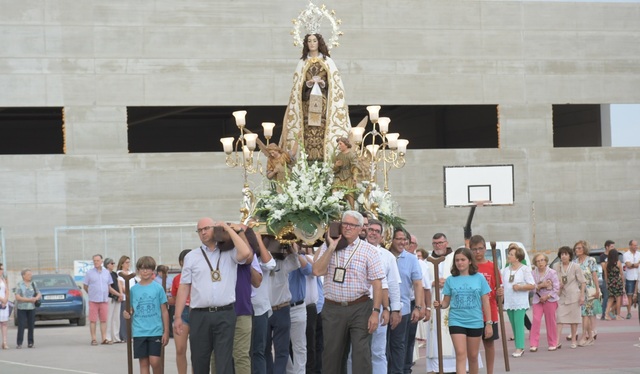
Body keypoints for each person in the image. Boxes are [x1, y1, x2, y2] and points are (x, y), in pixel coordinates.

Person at [173, 218, 252, 374]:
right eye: (200, 230)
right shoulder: (192, 256)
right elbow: (184, 287)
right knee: (199, 359)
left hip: (225, 313)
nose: (203, 232)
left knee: (224, 361)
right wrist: (177, 316)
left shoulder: (229, 252)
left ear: (215, 229)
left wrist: (228, 229)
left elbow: (246, 252)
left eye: (206, 228)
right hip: (199, 315)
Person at [312, 210, 384, 374]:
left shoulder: (369, 250)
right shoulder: (328, 246)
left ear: (360, 229)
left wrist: (375, 312)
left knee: (361, 354)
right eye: (345, 224)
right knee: (332, 355)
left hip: (360, 307)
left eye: (352, 225)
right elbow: (316, 271)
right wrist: (331, 247)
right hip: (333, 308)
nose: (347, 228)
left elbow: (377, 283)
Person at [280, 33, 351, 162]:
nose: (312, 43)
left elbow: (335, 86)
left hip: (323, 106)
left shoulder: (328, 62)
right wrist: (309, 83)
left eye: (314, 41)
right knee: (307, 131)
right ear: (306, 44)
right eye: (309, 41)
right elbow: (297, 88)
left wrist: (322, 83)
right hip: (306, 105)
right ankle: (305, 160)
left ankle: (325, 159)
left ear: (319, 42)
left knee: (322, 130)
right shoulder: (302, 63)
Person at [433, 248, 492, 374]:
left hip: (475, 320)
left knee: (473, 356)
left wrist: (489, 323)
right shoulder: (450, 280)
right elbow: (446, 302)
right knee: (460, 354)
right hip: (456, 321)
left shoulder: (479, 278)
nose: (460, 263)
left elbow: (486, 301)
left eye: (463, 260)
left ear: (470, 261)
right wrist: (440, 305)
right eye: (457, 260)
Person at [386, 228, 426, 374]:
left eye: (405, 240)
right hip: (383, 306)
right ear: (391, 239)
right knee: (383, 346)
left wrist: (418, 307)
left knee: (399, 345)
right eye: (399, 239)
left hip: (403, 309)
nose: (402, 242)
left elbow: (417, 284)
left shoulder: (411, 259)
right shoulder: (384, 255)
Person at [123, 256, 170, 374]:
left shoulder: (158, 288)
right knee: (143, 363)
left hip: (155, 330)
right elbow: (131, 309)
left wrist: (166, 331)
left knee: (155, 361)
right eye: (142, 269)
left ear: (153, 270)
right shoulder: (133, 290)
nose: (145, 271)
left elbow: (164, 311)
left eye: (148, 268)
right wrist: (127, 314)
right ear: (138, 270)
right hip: (139, 331)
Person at [469, 236, 501, 374]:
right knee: (471, 347)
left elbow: (498, 290)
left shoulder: (492, 267)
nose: (477, 252)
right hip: (472, 311)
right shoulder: (468, 267)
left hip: (490, 311)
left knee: (489, 343)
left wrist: (500, 293)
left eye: (480, 248)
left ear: (485, 249)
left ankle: (490, 372)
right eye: (474, 249)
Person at [500, 244, 535, 357]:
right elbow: (502, 285)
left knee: (519, 324)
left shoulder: (524, 269)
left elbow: (532, 285)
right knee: (514, 325)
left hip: (520, 302)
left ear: (517, 257)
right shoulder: (505, 270)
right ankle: (518, 346)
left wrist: (520, 287)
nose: (508, 256)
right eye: (509, 254)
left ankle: (520, 347)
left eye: (511, 254)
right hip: (509, 302)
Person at [249, 230, 276, 374]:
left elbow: (270, 264)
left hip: (260, 309)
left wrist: (258, 240)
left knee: (258, 350)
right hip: (242, 309)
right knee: (242, 351)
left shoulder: (261, 258)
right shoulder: (241, 254)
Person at [553, 246, 586, 349]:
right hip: (561, 295)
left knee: (574, 320)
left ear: (570, 256)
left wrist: (582, 296)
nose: (563, 256)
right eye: (562, 254)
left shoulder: (575, 266)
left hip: (574, 295)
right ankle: (556, 341)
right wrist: (558, 285)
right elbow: (553, 279)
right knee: (559, 319)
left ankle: (573, 340)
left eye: (566, 254)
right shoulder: (556, 266)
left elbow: (583, 281)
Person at [83, 254, 119, 346]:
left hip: (104, 300)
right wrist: (91, 293)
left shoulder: (106, 273)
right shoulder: (89, 273)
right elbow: (85, 286)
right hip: (93, 300)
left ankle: (104, 338)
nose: (96, 262)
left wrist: (119, 294)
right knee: (93, 320)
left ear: (101, 261)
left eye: (97, 260)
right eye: (94, 261)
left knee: (103, 320)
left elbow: (109, 287)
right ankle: (94, 339)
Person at [529, 253, 560, 352]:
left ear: (546, 261)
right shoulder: (532, 273)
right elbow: (531, 288)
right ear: (535, 263)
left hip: (550, 299)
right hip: (537, 300)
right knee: (536, 320)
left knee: (550, 321)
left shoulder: (552, 272)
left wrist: (547, 296)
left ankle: (552, 343)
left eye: (542, 260)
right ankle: (533, 344)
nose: (540, 263)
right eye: (538, 261)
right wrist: (541, 286)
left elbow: (556, 287)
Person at [573, 240, 601, 346]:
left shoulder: (591, 260)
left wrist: (597, 290)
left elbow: (594, 275)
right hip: (578, 291)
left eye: (579, 248)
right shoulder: (575, 262)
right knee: (586, 314)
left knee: (585, 313)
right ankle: (590, 336)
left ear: (584, 249)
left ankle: (584, 336)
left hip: (590, 291)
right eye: (576, 248)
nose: (577, 250)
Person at [171, 249, 191, 374]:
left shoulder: (200, 276)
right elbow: (174, 297)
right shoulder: (177, 279)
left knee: (198, 351)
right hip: (182, 313)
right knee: (180, 349)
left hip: (197, 312)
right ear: (181, 262)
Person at [14, 268, 41, 348]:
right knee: (21, 326)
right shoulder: (20, 284)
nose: (30, 276)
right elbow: (17, 297)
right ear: (23, 276)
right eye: (28, 274)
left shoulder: (33, 283)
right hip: (22, 308)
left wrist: (36, 298)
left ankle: (30, 342)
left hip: (31, 307)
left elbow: (39, 293)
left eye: (31, 274)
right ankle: (19, 343)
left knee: (31, 325)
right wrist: (28, 300)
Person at [332, 137, 359, 209]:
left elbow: (355, 167)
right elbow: (334, 169)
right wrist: (336, 165)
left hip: (348, 176)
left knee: (349, 193)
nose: (339, 146)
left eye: (340, 144)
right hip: (339, 176)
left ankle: (352, 209)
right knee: (334, 190)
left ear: (346, 145)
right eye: (338, 144)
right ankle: (335, 208)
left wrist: (355, 177)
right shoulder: (338, 155)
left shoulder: (351, 155)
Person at [104, 258, 124, 344]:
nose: (113, 265)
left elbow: (118, 283)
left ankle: (116, 337)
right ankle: (108, 337)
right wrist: (118, 294)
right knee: (109, 318)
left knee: (116, 318)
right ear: (107, 264)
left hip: (117, 297)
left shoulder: (114, 274)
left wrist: (120, 294)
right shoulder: (105, 274)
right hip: (110, 297)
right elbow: (109, 288)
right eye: (112, 263)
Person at [117, 255, 135, 341]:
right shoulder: (120, 273)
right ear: (122, 263)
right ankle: (124, 336)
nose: (128, 264)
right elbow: (121, 285)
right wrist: (127, 293)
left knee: (131, 317)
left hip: (132, 297)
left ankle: (131, 335)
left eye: (129, 262)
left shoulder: (131, 273)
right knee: (124, 317)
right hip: (125, 297)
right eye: (126, 262)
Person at [604, 249, 625, 321]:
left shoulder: (606, 264)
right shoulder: (618, 263)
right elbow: (621, 274)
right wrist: (623, 285)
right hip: (617, 282)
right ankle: (618, 315)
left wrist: (607, 284)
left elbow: (606, 276)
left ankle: (606, 314)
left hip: (610, 282)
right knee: (618, 299)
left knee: (611, 299)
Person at [623, 239, 639, 319]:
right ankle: (629, 312)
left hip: (638, 277)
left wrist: (633, 265)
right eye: (634, 245)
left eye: (636, 245)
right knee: (629, 295)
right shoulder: (626, 254)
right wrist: (636, 264)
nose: (636, 246)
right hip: (630, 277)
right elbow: (628, 265)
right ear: (630, 245)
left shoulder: (639, 254)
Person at [599, 240, 615, 320]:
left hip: (614, 278)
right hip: (606, 278)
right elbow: (604, 267)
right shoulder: (602, 256)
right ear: (607, 247)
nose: (613, 248)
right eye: (611, 247)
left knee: (614, 297)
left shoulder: (614, 255)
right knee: (606, 296)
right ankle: (603, 313)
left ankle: (610, 312)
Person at [0, 264, 9, 350]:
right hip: (1, 301)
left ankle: (5, 342)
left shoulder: (3, 279)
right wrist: (2, 299)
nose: (2, 270)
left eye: (2, 269)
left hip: (4, 304)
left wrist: (5, 300)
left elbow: (7, 290)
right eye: (0, 269)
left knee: (4, 323)